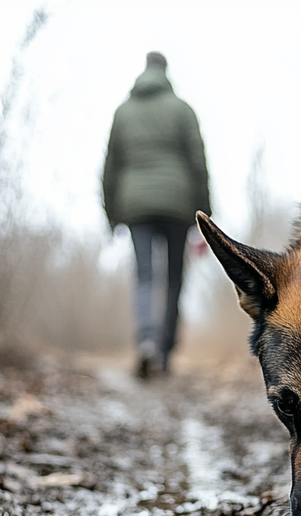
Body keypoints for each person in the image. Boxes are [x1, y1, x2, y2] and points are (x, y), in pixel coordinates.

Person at [102, 51, 211, 378]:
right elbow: (198, 163)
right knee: (175, 277)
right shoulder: (182, 109)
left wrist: (111, 213)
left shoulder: (123, 112)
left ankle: (147, 340)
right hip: (178, 205)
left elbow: (111, 166)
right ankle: (164, 351)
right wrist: (205, 217)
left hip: (136, 205)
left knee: (146, 275)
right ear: (166, 72)